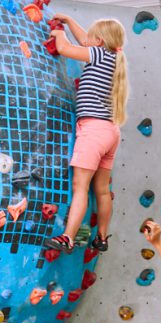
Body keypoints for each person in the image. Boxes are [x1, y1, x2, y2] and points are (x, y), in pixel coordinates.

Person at [43, 14, 128, 254]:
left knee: (81, 186)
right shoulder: (112, 56)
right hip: (110, 132)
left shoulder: (98, 55)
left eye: (92, 38)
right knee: (101, 190)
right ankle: (101, 237)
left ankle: (68, 237)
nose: (86, 40)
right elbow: (84, 41)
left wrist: (59, 32)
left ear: (99, 41)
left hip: (93, 131)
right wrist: (69, 22)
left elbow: (64, 48)